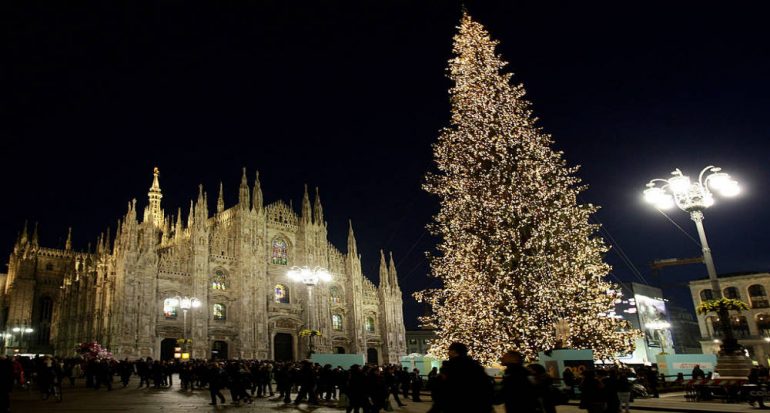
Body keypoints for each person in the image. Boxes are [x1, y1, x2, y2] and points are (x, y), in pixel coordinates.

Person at [432, 342, 494, 413]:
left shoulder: (449, 367)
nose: (448, 353)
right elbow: (486, 385)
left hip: (454, 406)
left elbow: (442, 389)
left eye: (449, 351)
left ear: (453, 351)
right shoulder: (475, 366)